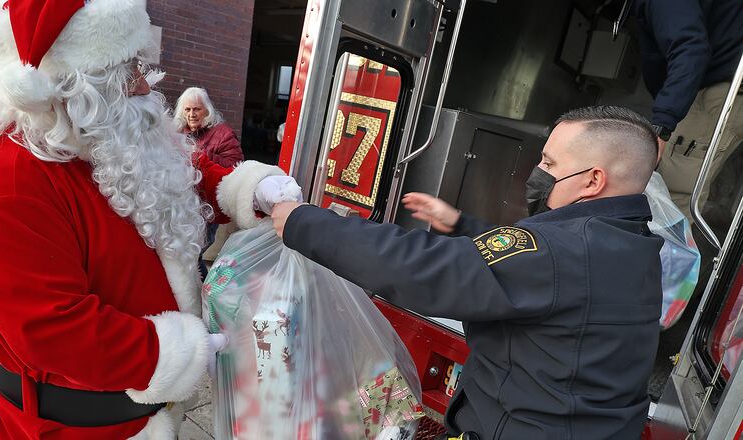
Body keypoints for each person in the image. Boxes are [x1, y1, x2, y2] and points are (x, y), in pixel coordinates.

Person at [0, 1, 299, 439]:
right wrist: (180, 353)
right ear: (73, 87)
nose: (144, 82)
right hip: (70, 429)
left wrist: (246, 188)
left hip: (146, 416)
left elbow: (175, 170)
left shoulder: (98, 136)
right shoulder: (1, 184)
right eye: (129, 68)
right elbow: (55, 331)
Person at [272, 106, 664, 439]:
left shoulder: (564, 251)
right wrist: (461, 224)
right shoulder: (630, 243)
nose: (538, 172)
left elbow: (421, 269)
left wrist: (303, 223)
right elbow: (538, 266)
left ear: (593, 181)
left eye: (549, 163)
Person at [634, 0, 743, 220]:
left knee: (671, 202)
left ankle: (663, 255)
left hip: (714, 94)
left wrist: (662, 125)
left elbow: (691, 49)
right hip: (726, 92)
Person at [174, 87, 244, 168]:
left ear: (207, 110)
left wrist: (202, 156)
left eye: (196, 109)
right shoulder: (178, 131)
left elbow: (237, 167)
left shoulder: (225, 134)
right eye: (187, 109)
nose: (191, 114)